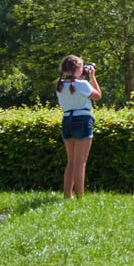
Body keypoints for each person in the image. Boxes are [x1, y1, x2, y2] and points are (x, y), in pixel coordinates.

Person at [55, 55, 102, 197]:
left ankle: (67, 194)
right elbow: (98, 96)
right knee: (80, 162)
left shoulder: (60, 85)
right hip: (82, 119)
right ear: (77, 68)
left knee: (71, 162)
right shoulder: (82, 85)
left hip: (67, 120)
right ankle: (80, 196)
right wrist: (92, 77)